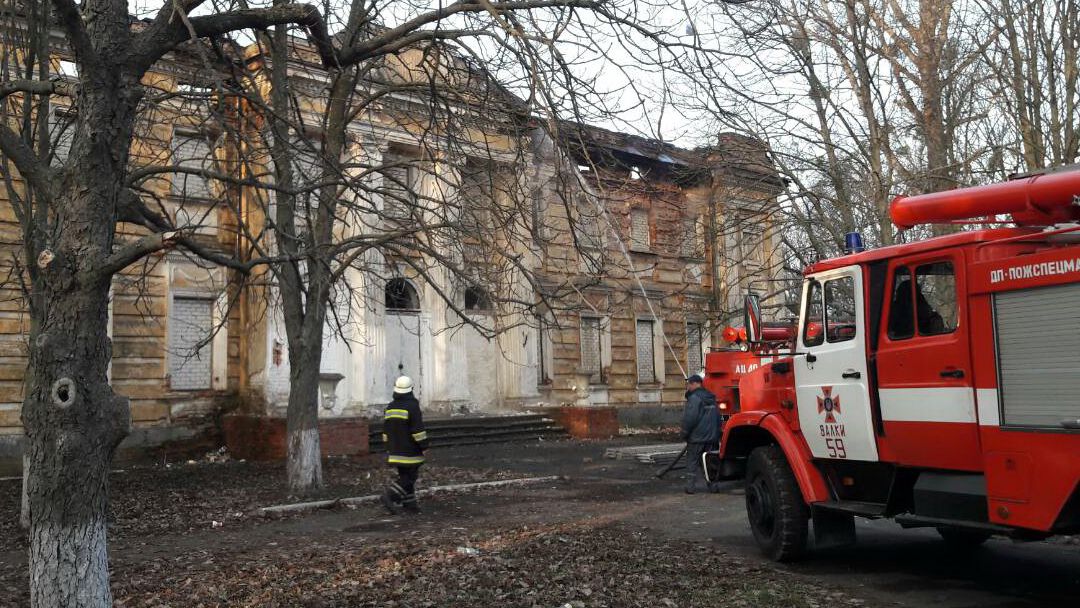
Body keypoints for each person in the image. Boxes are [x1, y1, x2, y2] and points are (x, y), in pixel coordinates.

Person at [380, 375, 428, 514]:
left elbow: (386, 430)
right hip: (410, 450)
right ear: (411, 389)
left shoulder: (390, 406)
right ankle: (390, 495)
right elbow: (418, 430)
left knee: (404, 475)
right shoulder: (412, 406)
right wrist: (424, 446)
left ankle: (410, 504)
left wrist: (387, 446)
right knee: (410, 477)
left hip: (394, 449)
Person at [681, 374, 720, 494]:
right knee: (710, 462)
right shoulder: (711, 397)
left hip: (697, 437)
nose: (687, 387)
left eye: (688, 385)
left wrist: (684, 433)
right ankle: (713, 486)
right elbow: (718, 418)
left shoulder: (694, 398)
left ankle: (690, 487)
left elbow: (690, 418)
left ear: (693, 384)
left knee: (692, 462)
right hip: (712, 438)